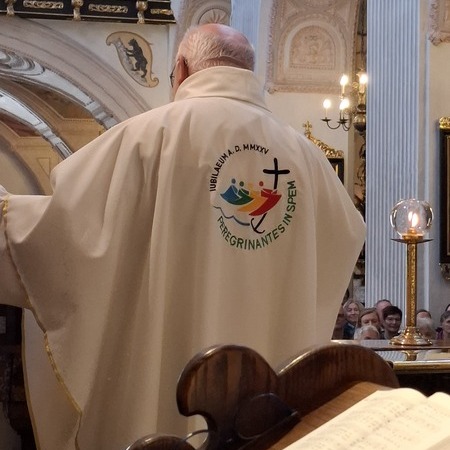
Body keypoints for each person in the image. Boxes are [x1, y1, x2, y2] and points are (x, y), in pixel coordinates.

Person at [0, 24, 365, 450]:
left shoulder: (144, 139)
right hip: (270, 415)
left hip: (162, 405)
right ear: (249, 71)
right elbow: (346, 234)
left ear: (181, 69)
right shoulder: (309, 161)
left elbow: (65, 237)